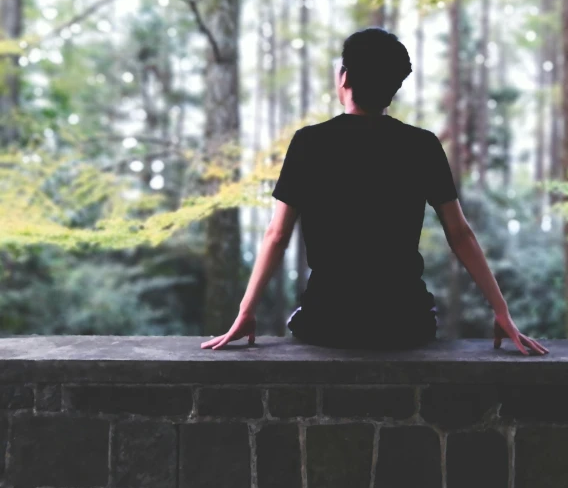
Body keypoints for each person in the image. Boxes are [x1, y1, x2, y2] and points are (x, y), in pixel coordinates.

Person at [202, 27, 548, 356]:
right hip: (406, 325)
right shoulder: (423, 145)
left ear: (345, 77)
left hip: (328, 324)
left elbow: (277, 235)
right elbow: (460, 234)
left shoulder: (310, 142)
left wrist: (246, 312)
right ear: (392, 89)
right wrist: (502, 311)